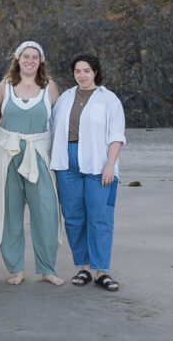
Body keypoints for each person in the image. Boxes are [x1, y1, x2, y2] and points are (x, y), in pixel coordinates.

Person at [50, 52, 125, 291]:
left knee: (100, 218)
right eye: (77, 71)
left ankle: (102, 270)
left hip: (98, 164)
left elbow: (116, 136)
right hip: (66, 164)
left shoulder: (109, 99)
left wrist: (110, 165)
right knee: (73, 218)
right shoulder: (64, 98)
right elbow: (51, 128)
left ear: (95, 73)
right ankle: (82, 268)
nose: (81, 75)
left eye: (86, 71)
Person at [0, 41, 64, 286]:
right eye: (26, 56)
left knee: (46, 212)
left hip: (38, 156)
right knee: (11, 212)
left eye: (35, 57)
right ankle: (16, 269)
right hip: (8, 155)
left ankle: (47, 268)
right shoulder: (5, 86)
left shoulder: (50, 88)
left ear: (40, 60)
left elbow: (59, 125)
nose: (30, 60)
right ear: (18, 59)